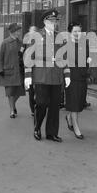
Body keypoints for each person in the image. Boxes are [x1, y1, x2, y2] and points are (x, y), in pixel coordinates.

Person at [24, 9, 71, 142]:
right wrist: (28, 76)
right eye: (51, 21)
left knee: (55, 106)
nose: (54, 23)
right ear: (45, 21)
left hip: (56, 75)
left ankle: (51, 133)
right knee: (41, 103)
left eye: (55, 21)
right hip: (41, 75)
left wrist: (67, 74)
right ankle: (37, 127)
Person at [65, 22, 91, 140]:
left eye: (79, 31)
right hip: (71, 77)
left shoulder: (84, 43)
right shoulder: (65, 45)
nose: (77, 33)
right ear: (70, 32)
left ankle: (69, 117)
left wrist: (89, 63)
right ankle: (76, 128)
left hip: (82, 77)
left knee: (80, 102)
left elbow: (88, 59)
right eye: (75, 31)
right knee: (74, 102)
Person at [0, 23, 25, 118]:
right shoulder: (5, 43)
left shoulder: (21, 43)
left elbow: (23, 55)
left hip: (19, 71)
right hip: (8, 71)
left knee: (19, 92)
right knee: (10, 92)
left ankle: (13, 105)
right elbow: (0, 57)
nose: (18, 33)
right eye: (17, 31)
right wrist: (0, 69)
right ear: (11, 32)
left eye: (19, 31)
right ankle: (12, 111)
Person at [23, 25, 38, 117]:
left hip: (39, 70)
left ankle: (38, 106)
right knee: (31, 90)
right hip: (29, 69)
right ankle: (33, 108)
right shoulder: (26, 43)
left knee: (39, 90)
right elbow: (22, 54)